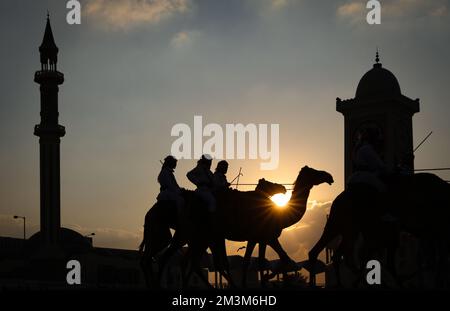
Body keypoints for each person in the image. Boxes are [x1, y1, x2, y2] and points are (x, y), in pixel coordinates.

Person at [348, 127, 386, 193]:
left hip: (354, 177)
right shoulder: (367, 148)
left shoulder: (357, 149)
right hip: (367, 177)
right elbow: (380, 164)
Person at [156, 155, 185, 224]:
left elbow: (174, 186)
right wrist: (180, 191)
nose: (175, 165)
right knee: (180, 200)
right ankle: (180, 219)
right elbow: (171, 186)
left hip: (170, 191)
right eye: (174, 163)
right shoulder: (165, 173)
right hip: (167, 193)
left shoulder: (168, 172)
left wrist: (181, 190)